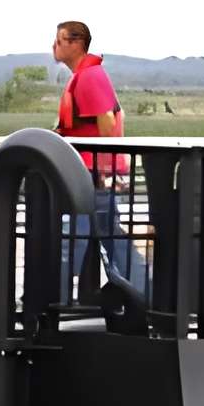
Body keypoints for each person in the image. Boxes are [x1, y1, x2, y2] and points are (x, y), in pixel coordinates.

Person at [51, 19, 148, 297]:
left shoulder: (90, 76)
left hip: (93, 176)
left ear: (76, 44)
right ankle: (145, 295)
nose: (54, 46)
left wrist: (104, 167)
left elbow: (106, 121)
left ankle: (54, 300)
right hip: (92, 175)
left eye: (59, 40)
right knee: (104, 239)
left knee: (75, 241)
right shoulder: (84, 75)